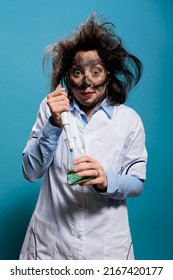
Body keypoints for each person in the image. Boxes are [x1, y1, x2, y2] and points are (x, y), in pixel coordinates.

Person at [20, 14, 147, 260]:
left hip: (106, 245)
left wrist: (105, 180)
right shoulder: (50, 110)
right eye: (77, 72)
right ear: (68, 76)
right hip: (52, 246)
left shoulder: (129, 120)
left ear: (108, 75)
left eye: (96, 71)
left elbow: (137, 182)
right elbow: (30, 172)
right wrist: (54, 124)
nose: (87, 83)